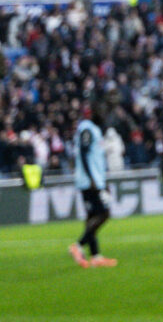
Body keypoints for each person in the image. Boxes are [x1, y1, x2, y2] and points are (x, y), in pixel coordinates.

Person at [69, 106, 116, 267]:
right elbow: (83, 153)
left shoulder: (92, 129)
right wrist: (93, 179)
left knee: (91, 217)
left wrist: (101, 180)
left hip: (94, 179)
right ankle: (78, 245)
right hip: (89, 182)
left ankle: (95, 256)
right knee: (104, 213)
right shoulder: (87, 129)